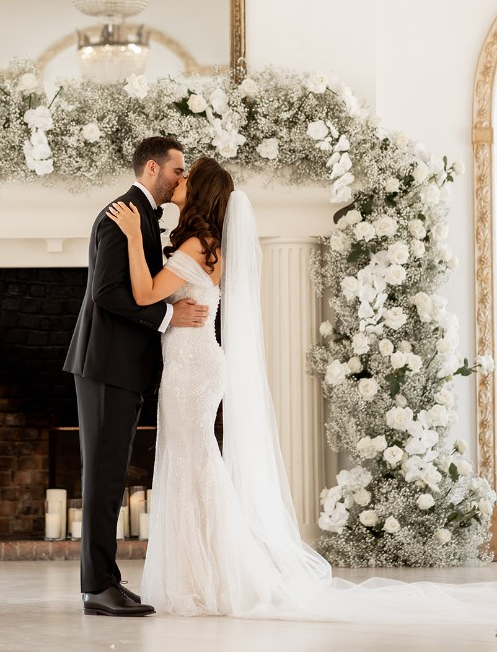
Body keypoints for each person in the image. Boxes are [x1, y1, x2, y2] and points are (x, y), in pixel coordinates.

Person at [108, 156, 497, 623]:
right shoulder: (208, 245)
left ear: (202, 192)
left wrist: (134, 238)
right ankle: (207, 573)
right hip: (195, 364)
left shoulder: (196, 244)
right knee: (193, 464)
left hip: (192, 368)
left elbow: (145, 294)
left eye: (189, 177)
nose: (182, 180)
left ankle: (212, 577)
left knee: (193, 466)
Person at [63, 136, 210, 617]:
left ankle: (106, 581)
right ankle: (96, 588)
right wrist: (169, 317)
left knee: (110, 476)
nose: (181, 178)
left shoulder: (143, 216)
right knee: (103, 479)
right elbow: (107, 293)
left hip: (118, 367)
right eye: (177, 170)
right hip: (107, 366)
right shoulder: (121, 214)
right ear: (152, 167)